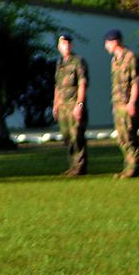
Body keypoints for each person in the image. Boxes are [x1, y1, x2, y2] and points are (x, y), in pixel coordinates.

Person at [102, 29, 139, 179]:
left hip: (128, 103)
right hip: (118, 103)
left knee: (130, 135)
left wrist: (132, 102)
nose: (106, 46)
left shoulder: (130, 57)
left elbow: (136, 82)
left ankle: (133, 167)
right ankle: (128, 166)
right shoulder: (115, 60)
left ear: (115, 42)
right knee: (122, 137)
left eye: (107, 43)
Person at [54, 33, 90, 176]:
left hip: (74, 104)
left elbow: (82, 84)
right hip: (63, 106)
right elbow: (57, 86)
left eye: (68, 43)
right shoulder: (59, 64)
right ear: (59, 47)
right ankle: (73, 165)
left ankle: (80, 166)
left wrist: (79, 104)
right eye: (63, 43)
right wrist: (55, 104)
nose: (66, 46)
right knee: (67, 136)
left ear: (72, 45)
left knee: (77, 136)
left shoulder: (78, 62)